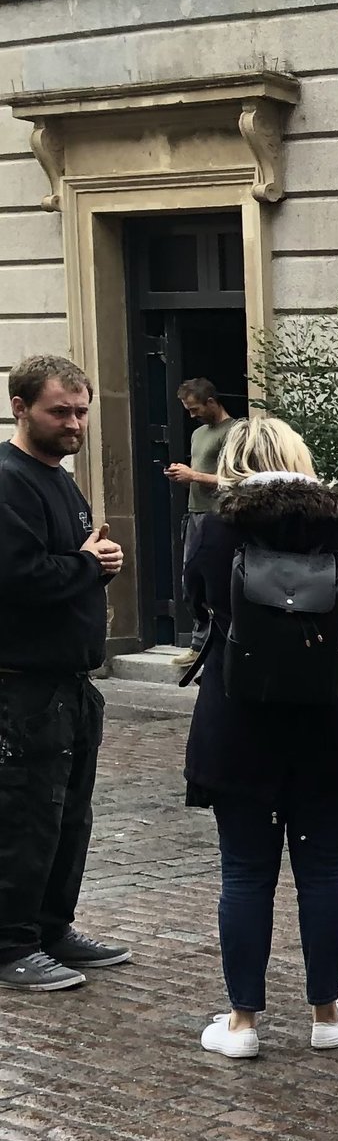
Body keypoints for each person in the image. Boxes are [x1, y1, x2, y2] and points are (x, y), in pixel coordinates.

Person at [184, 418, 338, 1058]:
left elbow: (200, 602)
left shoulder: (219, 528)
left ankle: (242, 1024)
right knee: (324, 871)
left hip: (239, 722)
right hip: (329, 724)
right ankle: (327, 1014)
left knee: (244, 874)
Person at [0, 355, 128, 992]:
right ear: (20, 407)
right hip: (22, 687)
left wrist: (96, 561)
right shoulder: (7, 480)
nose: (75, 423)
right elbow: (17, 576)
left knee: (69, 816)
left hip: (71, 685)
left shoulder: (57, 478)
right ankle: (10, 944)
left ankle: (52, 927)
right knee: (25, 816)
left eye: (82, 411)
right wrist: (85, 565)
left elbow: (67, 562)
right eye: (61, 411)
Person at [162, 377, 237, 650]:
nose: (192, 415)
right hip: (195, 513)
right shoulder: (198, 434)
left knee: (218, 582)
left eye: (195, 409)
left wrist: (193, 475)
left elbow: (237, 478)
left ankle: (217, 644)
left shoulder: (236, 431)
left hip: (220, 516)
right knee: (191, 582)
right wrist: (185, 476)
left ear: (212, 402)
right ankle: (199, 643)